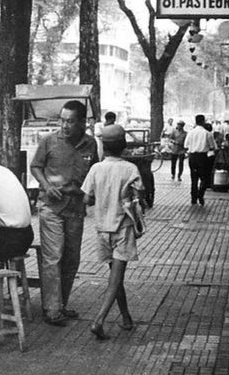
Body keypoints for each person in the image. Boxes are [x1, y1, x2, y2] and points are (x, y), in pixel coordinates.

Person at [30, 100, 98, 326]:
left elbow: (94, 171)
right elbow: (35, 166)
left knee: (71, 258)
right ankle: (51, 309)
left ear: (82, 123)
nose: (65, 126)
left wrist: (91, 194)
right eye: (62, 120)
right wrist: (46, 185)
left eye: (70, 121)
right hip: (51, 207)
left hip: (75, 208)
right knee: (53, 257)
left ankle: (61, 303)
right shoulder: (49, 141)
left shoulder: (91, 144)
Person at [81, 124, 143, 340]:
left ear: (104, 147)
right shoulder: (130, 169)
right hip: (123, 229)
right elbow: (138, 197)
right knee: (116, 279)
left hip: (102, 230)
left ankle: (126, 317)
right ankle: (99, 320)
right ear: (123, 146)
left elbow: (86, 198)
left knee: (115, 278)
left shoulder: (96, 169)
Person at [184, 115, 216, 206]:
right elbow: (212, 146)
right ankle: (200, 194)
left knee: (194, 178)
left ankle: (193, 198)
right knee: (205, 178)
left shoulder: (190, 133)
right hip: (203, 158)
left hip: (192, 157)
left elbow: (185, 145)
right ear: (203, 121)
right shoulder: (207, 133)